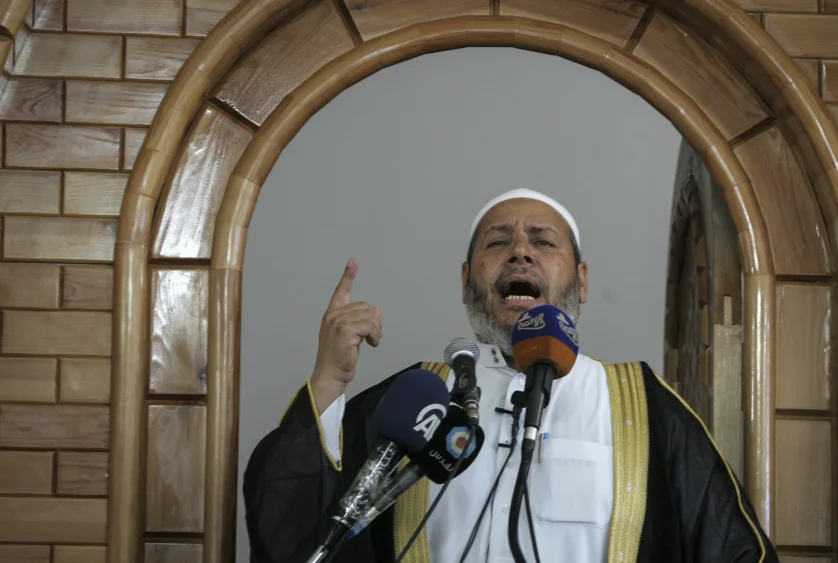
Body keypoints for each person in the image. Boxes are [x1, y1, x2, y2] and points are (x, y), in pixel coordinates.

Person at [243, 189, 779, 563]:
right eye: (497, 242)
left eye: (543, 241)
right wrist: (328, 382)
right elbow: (296, 533)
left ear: (581, 281)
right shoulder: (418, 400)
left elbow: (731, 547)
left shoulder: (643, 408)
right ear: (466, 280)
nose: (520, 250)